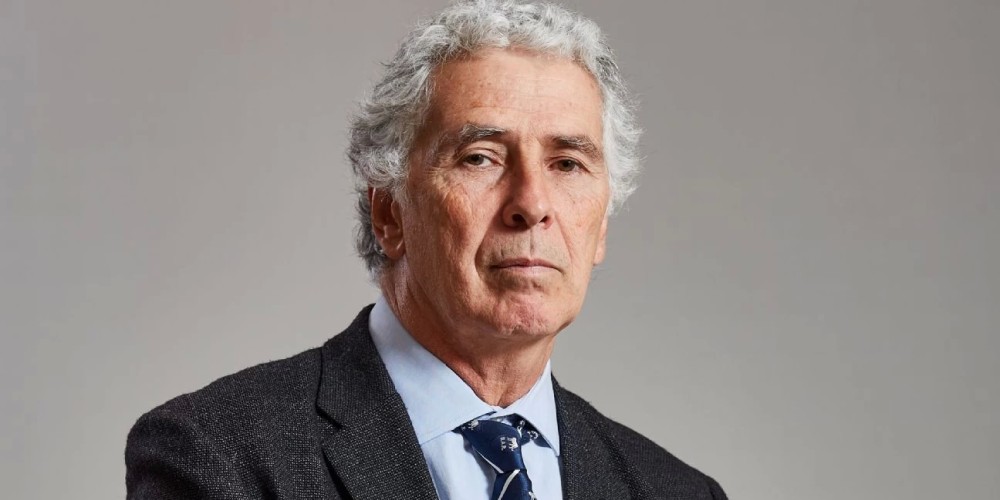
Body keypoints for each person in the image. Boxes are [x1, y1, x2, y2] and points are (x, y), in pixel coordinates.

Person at [125, 1, 728, 498]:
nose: (532, 204)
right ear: (389, 212)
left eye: (568, 163)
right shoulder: (218, 455)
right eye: (481, 158)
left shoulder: (677, 491)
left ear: (601, 227)